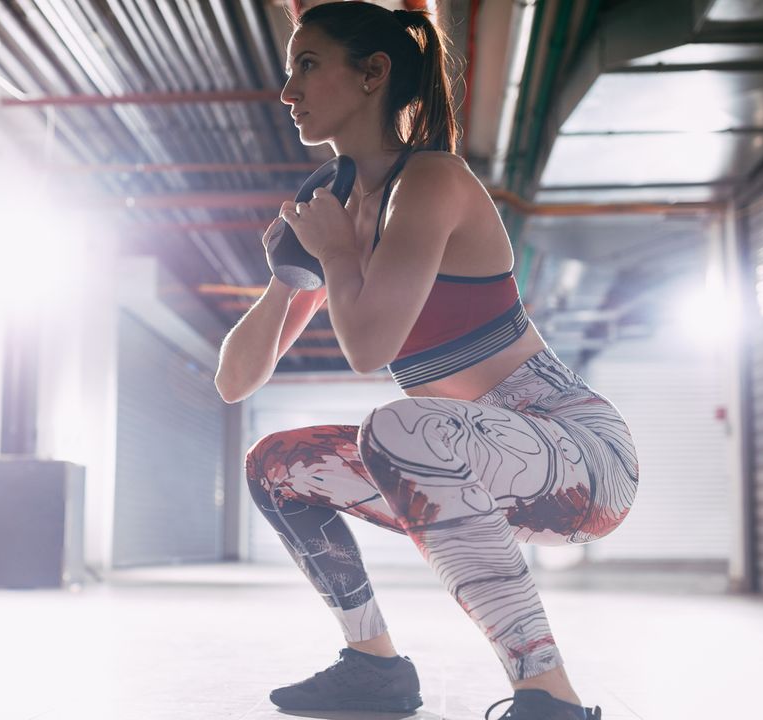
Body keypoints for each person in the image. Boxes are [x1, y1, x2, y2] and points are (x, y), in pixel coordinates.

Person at [214, 3, 638, 719]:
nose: (288, 91)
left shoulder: (431, 181)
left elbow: (369, 349)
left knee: (397, 425)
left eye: (308, 65)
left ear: (373, 73)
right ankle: (373, 667)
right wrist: (291, 275)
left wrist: (337, 254)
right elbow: (235, 381)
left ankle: (551, 698)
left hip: (584, 463)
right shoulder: (338, 207)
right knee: (274, 464)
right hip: (469, 465)